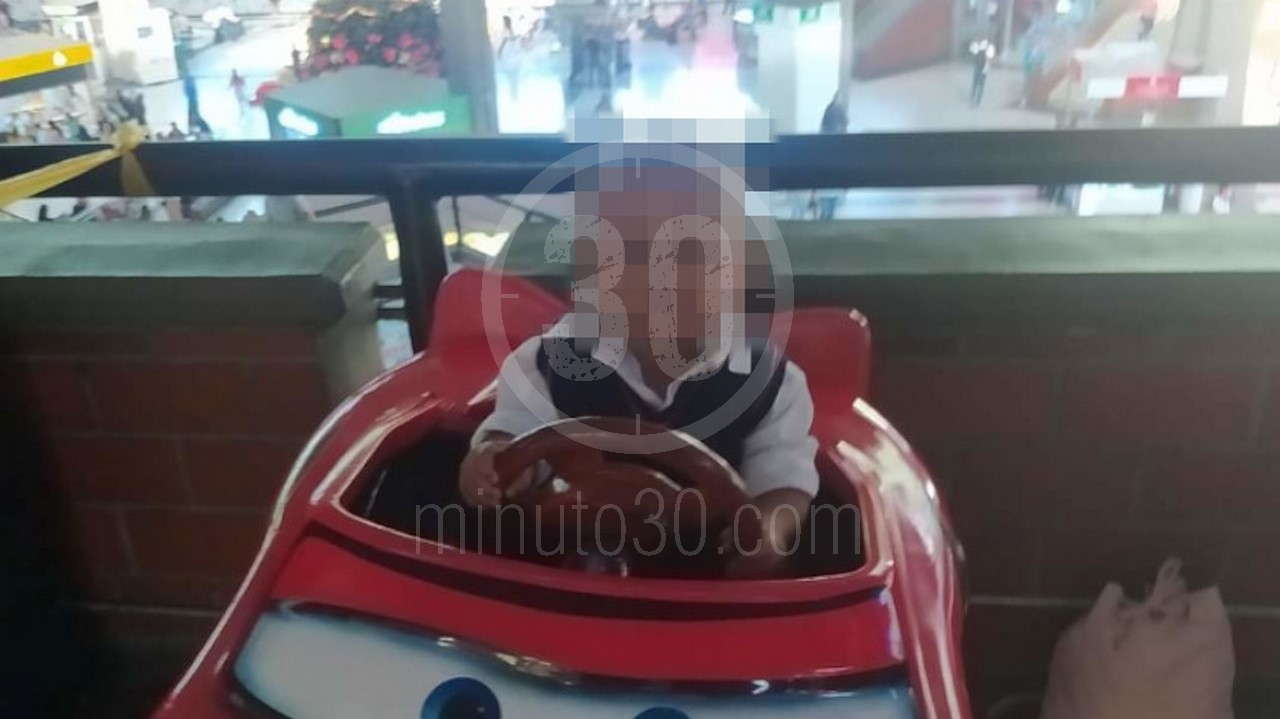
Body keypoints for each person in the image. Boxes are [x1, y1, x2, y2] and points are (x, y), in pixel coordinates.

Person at [458, 161, 820, 578]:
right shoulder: (549, 362)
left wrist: (769, 530)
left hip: (704, 577)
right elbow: (513, 440)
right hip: (568, 565)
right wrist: (491, 463)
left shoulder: (768, 383)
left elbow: (783, 478)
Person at [969, 38, 995, 106]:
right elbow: (973, 53)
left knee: (977, 84)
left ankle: (975, 100)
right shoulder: (980, 46)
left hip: (982, 67)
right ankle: (975, 100)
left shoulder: (987, 47)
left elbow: (989, 59)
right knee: (978, 84)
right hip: (980, 66)